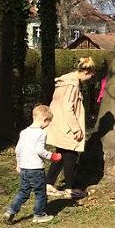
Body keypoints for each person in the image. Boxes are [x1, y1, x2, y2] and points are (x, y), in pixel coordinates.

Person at [46, 56, 96, 198]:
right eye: (90, 76)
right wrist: (76, 128)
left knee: (61, 153)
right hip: (67, 125)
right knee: (71, 155)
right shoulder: (72, 85)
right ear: (86, 72)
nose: (89, 79)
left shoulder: (65, 80)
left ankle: (48, 184)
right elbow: (68, 108)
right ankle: (69, 188)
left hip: (59, 123)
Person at [3, 105, 63, 224]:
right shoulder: (41, 133)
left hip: (25, 168)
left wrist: (18, 164)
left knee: (23, 192)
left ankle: (10, 211)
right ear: (45, 119)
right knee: (41, 193)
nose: (48, 125)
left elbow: (18, 149)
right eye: (49, 122)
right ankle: (39, 215)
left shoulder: (24, 132)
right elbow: (40, 150)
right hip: (35, 169)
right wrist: (53, 156)